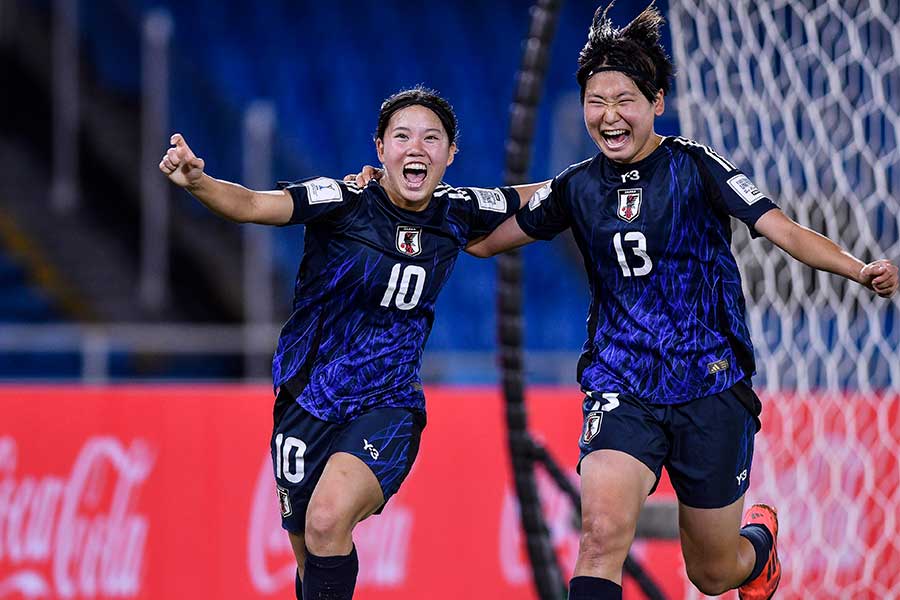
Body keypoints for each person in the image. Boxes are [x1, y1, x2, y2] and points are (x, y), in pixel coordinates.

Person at [357, 5, 899, 600]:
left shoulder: (695, 166)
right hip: (622, 383)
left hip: (709, 383)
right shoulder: (577, 185)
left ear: (657, 103)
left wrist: (857, 268)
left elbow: (785, 230)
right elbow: (486, 241)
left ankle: (760, 548)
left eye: (625, 101)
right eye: (596, 101)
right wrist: (399, 198)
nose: (609, 116)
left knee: (713, 572)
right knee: (600, 535)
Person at [159, 87, 530, 600]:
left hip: (387, 404)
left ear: (450, 154)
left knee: (328, 519)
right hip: (304, 400)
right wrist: (198, 182)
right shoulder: (342, 200)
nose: (415, 147)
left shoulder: (457, 210)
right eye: (402, 136)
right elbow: (250, 204)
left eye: (431, 138)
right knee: (310, 553)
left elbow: (534, 199)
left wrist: (593, 181)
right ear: (380, 149)